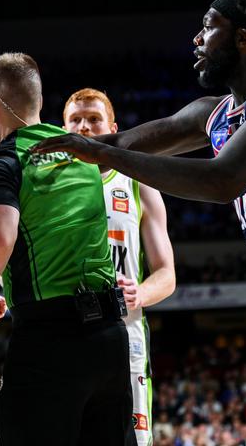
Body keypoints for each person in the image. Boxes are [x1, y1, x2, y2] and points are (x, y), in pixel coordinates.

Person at [35, 0, 246, 446]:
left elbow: (223, 179)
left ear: (244, 37)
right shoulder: (215, 114)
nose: (197, 39)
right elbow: (119, 145)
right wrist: (31, 151)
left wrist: (96, 151)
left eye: (209, 27)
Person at [0, 53, 134, 446]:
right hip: (109, 338)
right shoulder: (79, 151)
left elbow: (1, 236)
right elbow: (30, 193)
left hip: (50, 339)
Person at [63, 87, 176, 445]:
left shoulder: (139, 182)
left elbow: (167, 274)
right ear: (63, 129)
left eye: (94, 119)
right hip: (65, 332)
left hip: (125, 334)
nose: (85, 126)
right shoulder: (47, 184)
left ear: (113, 126)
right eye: (76, 120)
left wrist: (139, 293)